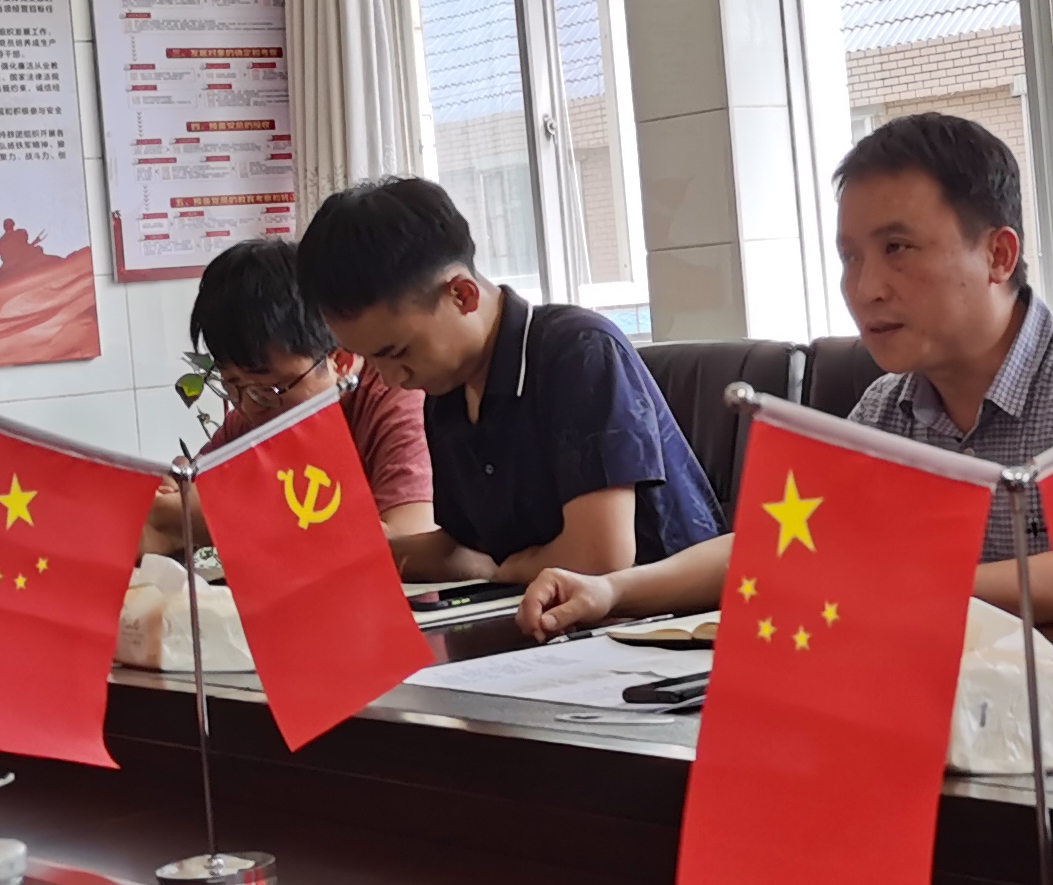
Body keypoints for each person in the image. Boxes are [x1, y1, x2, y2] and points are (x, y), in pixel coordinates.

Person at [517, 112, 1053, 638]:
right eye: (850, 257)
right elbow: (774, 547)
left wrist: (903, 589)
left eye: (897, 249)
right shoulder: (885, 409)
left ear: (998, 254)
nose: (864, 288)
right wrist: (612, 589)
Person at [302, 175, 720, 587]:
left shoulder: (578, 351)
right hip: (548, 610)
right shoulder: (445, 389)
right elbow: (464, 548)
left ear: (462, 295)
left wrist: (508, 571)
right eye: (371, 360)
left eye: (397, 353)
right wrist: (353, 557)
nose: (391, 379)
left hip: (668, 614)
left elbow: (600, 556)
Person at [141, 236, 433, 560]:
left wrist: (219, 516)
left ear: (341, 360)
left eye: (270, 388)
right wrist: (172, 496)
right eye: (232, 384)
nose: (249, 407)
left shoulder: (396, 401)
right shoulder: (258, 410)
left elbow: (410, 542)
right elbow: (172, 512)